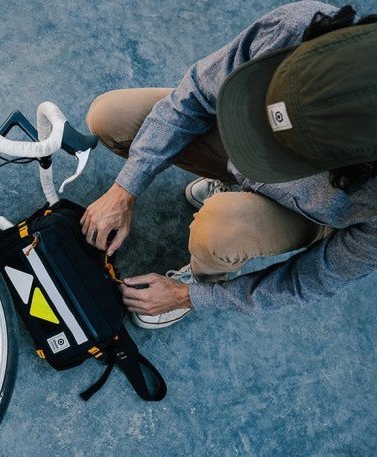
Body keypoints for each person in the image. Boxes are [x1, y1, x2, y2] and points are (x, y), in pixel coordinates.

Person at [81, 1, 377, 329]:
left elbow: (309, 280)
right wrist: (124, 190)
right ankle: (234, 188)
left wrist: (190, 295)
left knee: (219, 229)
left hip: (308, 213)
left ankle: (201, 275)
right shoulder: (300, 24)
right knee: (110, 115)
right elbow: (193, 97)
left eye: (283, 151)